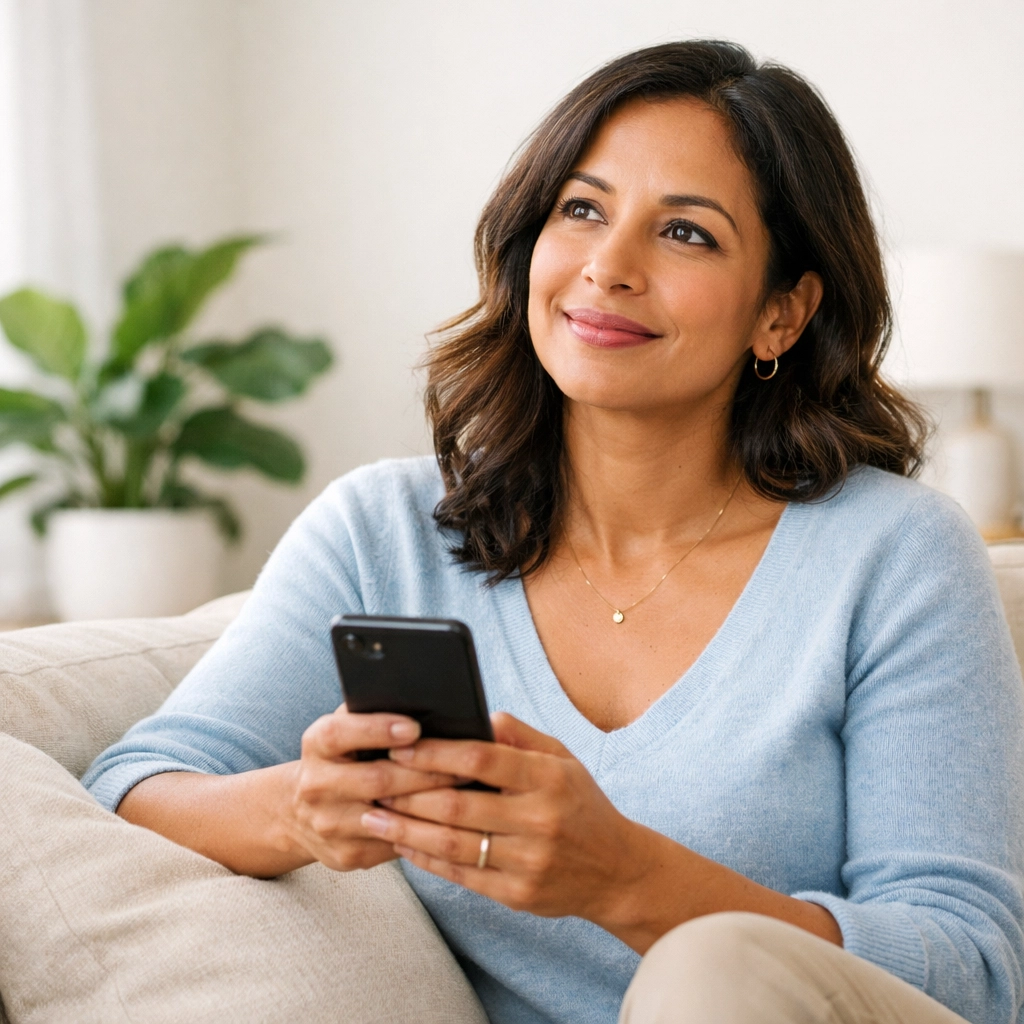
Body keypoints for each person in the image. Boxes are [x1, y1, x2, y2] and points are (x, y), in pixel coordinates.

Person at [82, 40, 1024, 1024]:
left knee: (709, 973)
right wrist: (305, 809)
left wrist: (624, 878)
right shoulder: (383, 534)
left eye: (687, 235)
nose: (608, 267)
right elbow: (136, 786)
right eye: (581, 209)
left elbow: (973, 971)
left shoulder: (896, 555)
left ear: (780, 314)